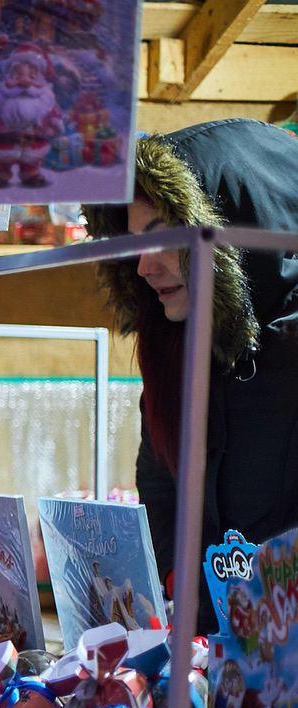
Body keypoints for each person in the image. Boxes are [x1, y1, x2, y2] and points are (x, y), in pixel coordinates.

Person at [85, 119, 298, 634]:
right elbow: (159, 485)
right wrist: (178, 592)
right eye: (135, 243)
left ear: (238, 235)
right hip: (210, 661)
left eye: (164, 238)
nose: (142, 266)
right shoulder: (175, 349)